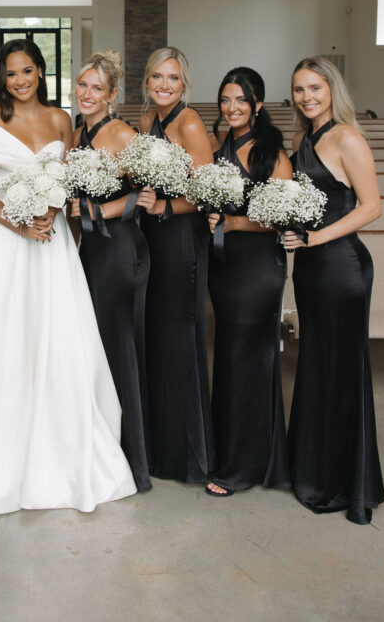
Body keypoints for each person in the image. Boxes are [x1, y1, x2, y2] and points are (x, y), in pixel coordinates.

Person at [0, 39, 136, 514]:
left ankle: (62, 445)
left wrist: (48, 215)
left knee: (57, 334)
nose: (21, 80)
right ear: (0, 78)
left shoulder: (60, 121)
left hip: (51, 244)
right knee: (5, 337)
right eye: (11, 74)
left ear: (41, 72)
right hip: (3, 242)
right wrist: (16, 222)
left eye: (28, 70)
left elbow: (62, 178)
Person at [282, 57, 384, 524]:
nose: (307, 97)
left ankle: (349, 485)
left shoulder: (347, 136)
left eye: (315, 88)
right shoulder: (304, 138)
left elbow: (371, 207)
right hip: (310, 270)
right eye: (300, 89)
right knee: (318, 364)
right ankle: (315, 471)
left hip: (342, 268)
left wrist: (318, 236)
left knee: (342, 371)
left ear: (332, 89)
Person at [205, 67, 292, 497]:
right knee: (230, 358)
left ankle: (241, 468)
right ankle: (240, 453)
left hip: (258, 269)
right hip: (224, 268)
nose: (232, 107)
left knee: (247, 359)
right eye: (226, 99)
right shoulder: (224, 145)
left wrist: (234, 221)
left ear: (258, 104)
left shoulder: (270, 151)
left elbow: (282, 216)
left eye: (241, 99)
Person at [71, 50, 151, 492]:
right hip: (91, 250)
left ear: (112, 94)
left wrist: (95, 210)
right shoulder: (78, 132)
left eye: (96, 87)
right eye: (82, 85)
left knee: (118, 345)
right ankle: (99, 444)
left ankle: (131, 458)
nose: (87, 93)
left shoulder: (122, 134)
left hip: (119, 249)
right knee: (94, 346)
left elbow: (145, 194)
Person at [137, 46, 215, 483]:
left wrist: (165, 205)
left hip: (181, 238)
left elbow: (207, 194)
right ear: (147, 81)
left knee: (180, 338)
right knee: (156, 336)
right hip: (151, 237)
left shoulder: (189, 122)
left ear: (184, 84)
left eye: (172, 79)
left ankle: (187, 455)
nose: (164, 86)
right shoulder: (148, 122)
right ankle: (158, 446)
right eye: (157, 78)